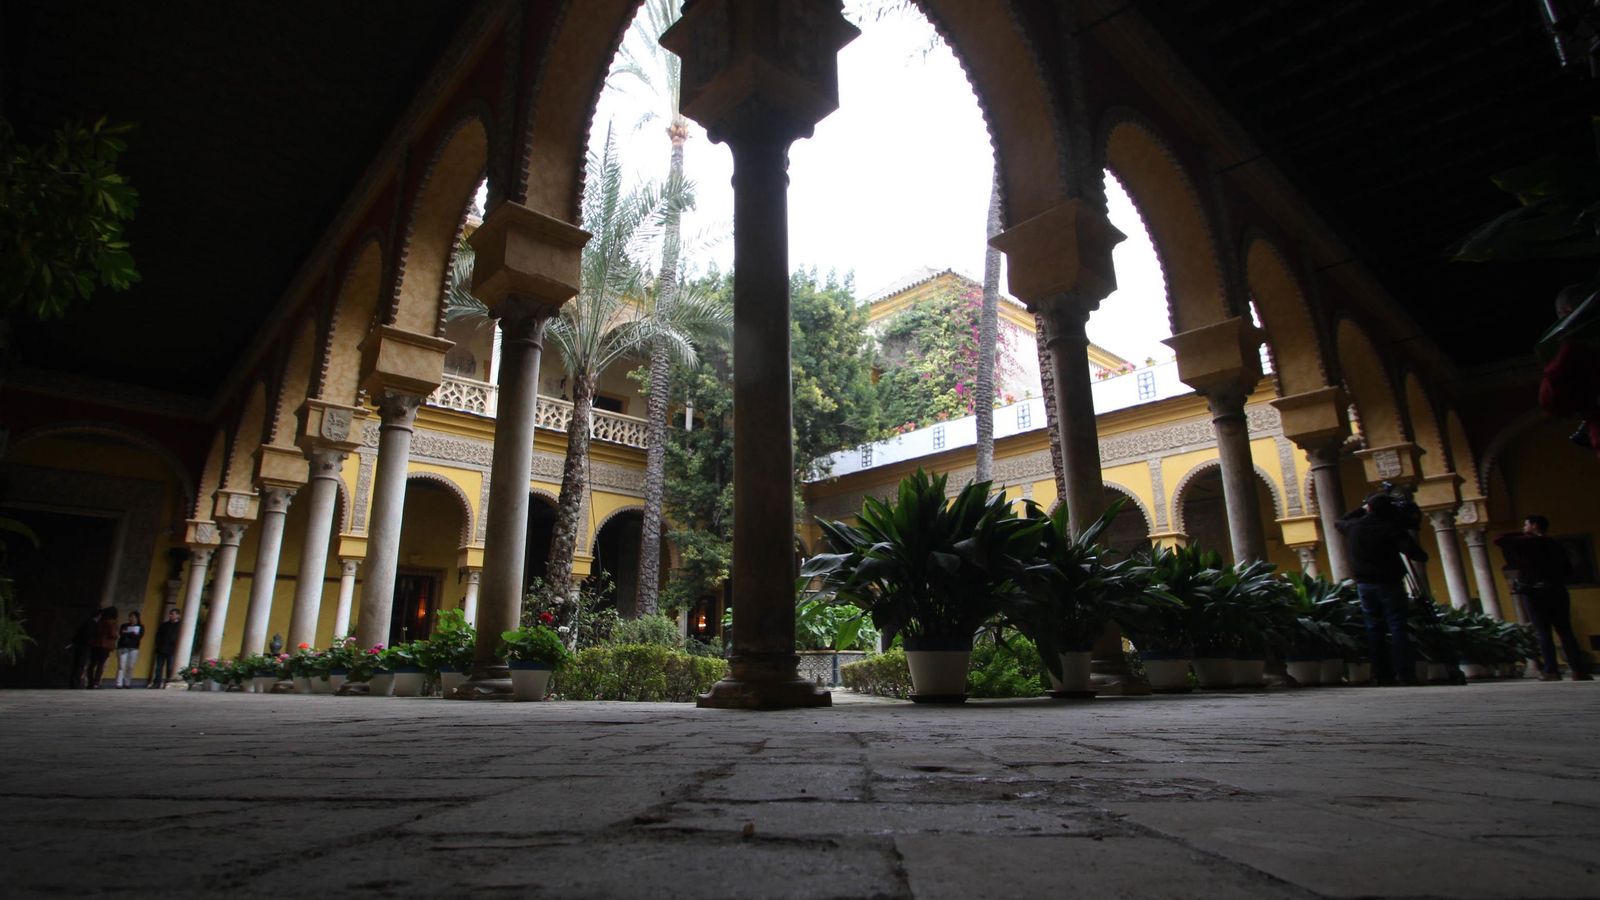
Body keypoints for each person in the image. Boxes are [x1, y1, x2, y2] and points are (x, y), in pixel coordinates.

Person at [1335, 492, 1429, 685]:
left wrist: (1362, 509)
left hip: (1365, 586)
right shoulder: (1391, 528)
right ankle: (1405, 673)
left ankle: (1382, 674)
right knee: (1397, 627)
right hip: (1390, 584)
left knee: (1373, 629)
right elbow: (1416, 554)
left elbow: (1339, 521)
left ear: (1369, 508)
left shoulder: (1354, 527)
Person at [1496, 515, 1594, 681]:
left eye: (1526, 524)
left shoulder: (1525, 544)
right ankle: (1578, 670)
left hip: (1534, 592)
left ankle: (1551, 670)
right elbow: (1568, 570)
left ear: (1534, 526)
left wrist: (1528, 535)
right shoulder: (1554, 544)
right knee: (1565, 630)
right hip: (1556, 590)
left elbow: (1500, 539)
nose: (1523, 528)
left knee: (1543, 632)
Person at [86, 607, 119, 689]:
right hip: (105, 646)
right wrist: (116, 636)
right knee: (101, 665)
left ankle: (90, 682)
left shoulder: (100, 622)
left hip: (96, 644)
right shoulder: (112, 623)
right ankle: (96, 683)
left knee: (92, 664)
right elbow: (112, 634)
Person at [149, 608, 182, 688]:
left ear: (178, 615)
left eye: (173, 614)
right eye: (170, 614)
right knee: (158, 668)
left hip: (172, 650)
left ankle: (167, 683)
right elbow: (158, 635)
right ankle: (156, 683)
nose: (171, 615)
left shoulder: (180, 626)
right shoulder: (164, 625)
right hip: (161, 649)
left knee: (170, 668)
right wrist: (158, 645)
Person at [114, 610, 145, 688]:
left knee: (130, 666)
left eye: (134, 617)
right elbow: (121, 634)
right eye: (130, 617)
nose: (132, 618)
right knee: (121, 665)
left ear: (137, 618)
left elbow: (139, 637)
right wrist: (132, 634)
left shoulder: (141, 627)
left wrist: (127, 633)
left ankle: (127, 683)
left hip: (134, 648)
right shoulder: (124, 625)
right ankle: (119, 683)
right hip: (123, 647)